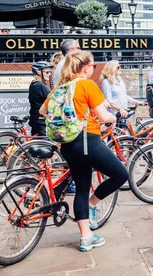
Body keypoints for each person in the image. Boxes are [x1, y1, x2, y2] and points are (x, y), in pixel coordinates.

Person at [40, 51, 127, 252]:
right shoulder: (87, 85)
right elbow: (103, 115)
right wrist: (112, 119)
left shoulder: (61, 87)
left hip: (68, 145)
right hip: (88, 141)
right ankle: (92, 203)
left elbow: (43, 111)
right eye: (93, 66)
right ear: (86, 67)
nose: (93, 69)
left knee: (81, 186)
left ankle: (86, 237)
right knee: (120, 175)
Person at [100, 60, 145, 128]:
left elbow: (124, 96)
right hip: (114, 114)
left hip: (123, 113)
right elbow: (109, 100)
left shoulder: (119, 80)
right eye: (118, 67)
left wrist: (137, 102)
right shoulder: (106, 82)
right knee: (115, 136)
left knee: (123, 136)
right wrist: (120, 109)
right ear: (112, 68)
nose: (120, 68)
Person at [28, 61, 53, 136]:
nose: (49, 75)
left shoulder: (34, 84)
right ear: (39, 72)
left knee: (37, 143)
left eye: (50, 72)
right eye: (47, 72)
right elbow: (53, 99)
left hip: (35, 119)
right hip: (41, 120)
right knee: (45, 144)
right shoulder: (40, 85)